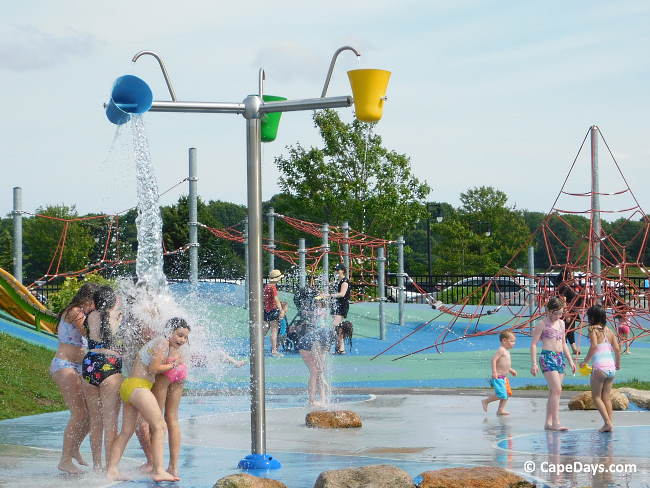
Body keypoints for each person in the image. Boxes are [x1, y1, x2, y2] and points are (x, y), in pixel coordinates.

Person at [106, 317, 190, 482]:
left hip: (130, 386)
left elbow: (152, 364)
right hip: (139, 387)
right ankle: (158, 470)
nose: (183, 340)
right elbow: (154, 368)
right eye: (179, 335)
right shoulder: (162, 343)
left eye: (186, 337)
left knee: (126, 432)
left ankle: (112, 470)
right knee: (159, 426)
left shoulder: (159, 343)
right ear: (169, 332)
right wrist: (174, 364)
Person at [49, 282, 99, 474]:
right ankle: (65, 459)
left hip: (78, 367)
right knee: (79, 413)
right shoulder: (76, 312)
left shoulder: (82, 312)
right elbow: (89, 333)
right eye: (95, 303)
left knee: (90, 413)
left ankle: (74, 448)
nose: (96, 307)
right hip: (65, 366)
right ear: (88, 299)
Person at [80, 286, 123, 471]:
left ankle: (96, 465)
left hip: (89, 363)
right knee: (110, 421)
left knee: (95, 420)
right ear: (113, 302)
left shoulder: (90, 316)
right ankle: (110, 468)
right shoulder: (118, 316)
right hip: (110, 363)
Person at [530, 297, 576, 431]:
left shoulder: (561, 324)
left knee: (553, 392)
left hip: (559, 357)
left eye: (560, 313)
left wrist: (570, 360)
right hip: (547, 357)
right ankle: (556, 422)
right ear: (548, 311)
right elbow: (533, 344)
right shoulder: (542, 324)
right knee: (557, 390)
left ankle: (548, 423)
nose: (557, 316)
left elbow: (563, 344)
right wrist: (534, 363)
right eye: (555, 313)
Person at [580, 305, 621, 432]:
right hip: (611, 368)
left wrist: (584, 362)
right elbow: (617, 350)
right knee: (606, 397)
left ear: (592, 317)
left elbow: (593, 346)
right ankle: (610, 423)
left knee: (596, 397)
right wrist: (617, 364)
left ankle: (607, 423)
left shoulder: (592, 329)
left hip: (599, 367)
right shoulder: (609, 331)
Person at [297, 296, 335, 407]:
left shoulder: (330, 336)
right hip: (305, 346)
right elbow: (314, 348)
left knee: (319, 372)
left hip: (311, 346)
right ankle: (312, 400)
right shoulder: (328, 335)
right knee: (314, 372)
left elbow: (323, 352)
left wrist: (321, 367)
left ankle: (323, 399)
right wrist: (319, 365)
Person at [482, 331, 517, 416]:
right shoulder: (501, 350)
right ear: (504, 340)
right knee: (501, 395)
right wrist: (494, 371)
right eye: (512, 341)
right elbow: (494, 360)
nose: (514, 343)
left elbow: (504, 364)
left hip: (504, 377)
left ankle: (500, 410)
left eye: (514, 341)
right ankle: (486, 401)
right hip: (498, 377)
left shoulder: (507, 351)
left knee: (507, 394)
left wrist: (510, 370)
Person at [325, 263, 351, 354]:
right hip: (336, 304)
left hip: (342, 305)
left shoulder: (344, 281)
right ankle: (339, 347)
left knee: (335, 325)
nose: (336, 271)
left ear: (343, 271)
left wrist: (329, 295)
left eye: (338, 270)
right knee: (337, 327)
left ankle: (339, 347)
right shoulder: (338, 281)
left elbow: (342, 294)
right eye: (335, 270)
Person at [557, 270, 582, 357]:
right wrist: (566, 312)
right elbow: (562, 299)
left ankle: (573, 347)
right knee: (565, 330)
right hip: (566, 311)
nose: (572, 277)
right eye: (570, 275)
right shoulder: (563, 286)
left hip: (572, 311)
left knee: (571, 329)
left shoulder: (570, 286)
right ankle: (564, 347)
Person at [263, 269, 285, 357]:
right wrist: (281, 310)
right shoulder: (273, 287)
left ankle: (258, 348)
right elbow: (276, 300)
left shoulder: (266, 286)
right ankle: (274, 350)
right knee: (274, 331)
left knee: (263, 331)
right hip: (273, 310)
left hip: (266, 310)